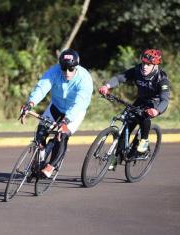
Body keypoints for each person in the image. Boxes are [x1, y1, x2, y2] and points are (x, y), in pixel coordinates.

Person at [19, 49, 93, 177]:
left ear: (77, 67)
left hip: (74, 112)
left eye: (71, 69)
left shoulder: (84, 78)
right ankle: (40, 155)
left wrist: (66, 121)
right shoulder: (54, 71)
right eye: (64, 69)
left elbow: (79, 103)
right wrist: (30, 104)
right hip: (56, 106)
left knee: (62, 136)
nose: (67, 73)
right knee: (41, 130)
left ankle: (50, 167)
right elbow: (42, 88)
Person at [99, 49, 170, 167]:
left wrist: (156, 110)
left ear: (155, 65)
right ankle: (117, 157)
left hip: (155, 103)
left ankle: (144, 140)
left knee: (143, 116)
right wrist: (107, 86)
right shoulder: (137, 70)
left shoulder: (162, 79)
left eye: (148, 64)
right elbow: (120, 78)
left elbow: (165, 100)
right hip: (141, 100)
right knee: (126, 122)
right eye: (143, 63)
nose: (145, 67)